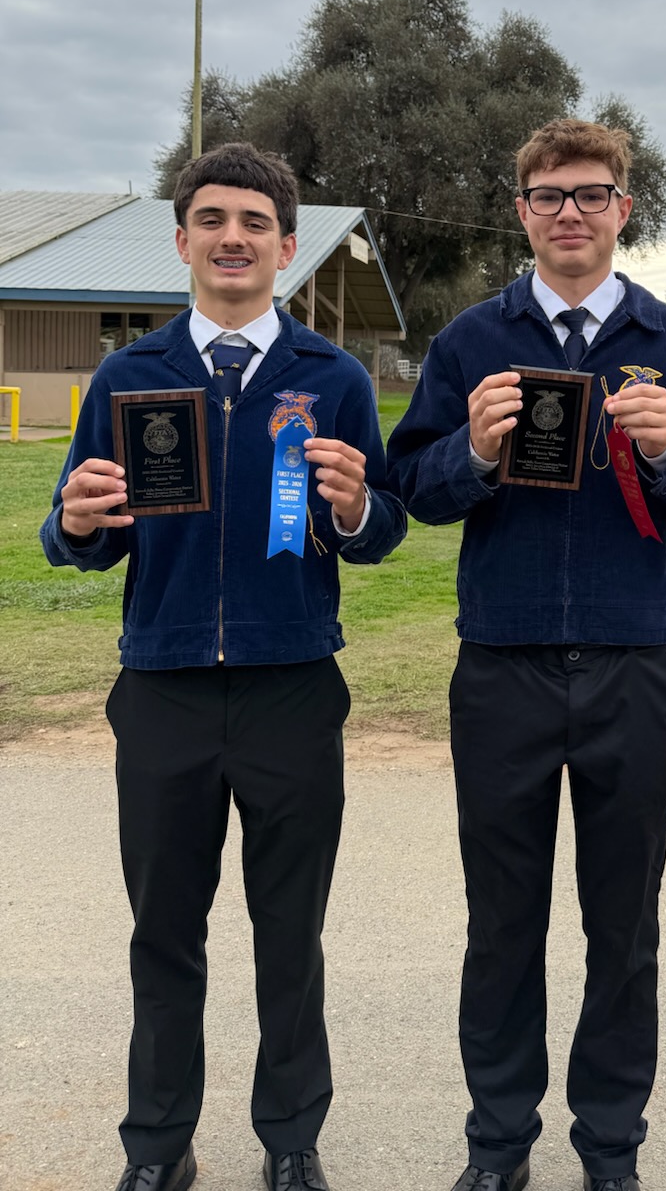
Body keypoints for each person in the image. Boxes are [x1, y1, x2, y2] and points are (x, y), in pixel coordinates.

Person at [389, 118, 666, 1191]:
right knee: (502, 924)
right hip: (500, 666)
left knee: (623, 927)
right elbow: (415, 488)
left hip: (632, 667)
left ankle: (610, 1146)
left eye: (592, 194)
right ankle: (499, 1144)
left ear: (623, 209)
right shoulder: (470, 343)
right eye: (548, 196)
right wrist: (473, 449)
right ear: (521, 212)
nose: (570, 213)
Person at [41, 143, 407, 1191]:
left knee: (290, 932)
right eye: (212, 219)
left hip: (294, 687)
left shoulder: (332, 379)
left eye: (255, 222)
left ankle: (291, 1139)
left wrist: (357, 509)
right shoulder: (128, 376)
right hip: (162, 689)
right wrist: (75, 524)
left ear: (287, 248)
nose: (233, 237)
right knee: (164, 933)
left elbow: (381, 528)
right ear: (182, 240)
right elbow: (78, 533)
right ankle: (159, 1146)